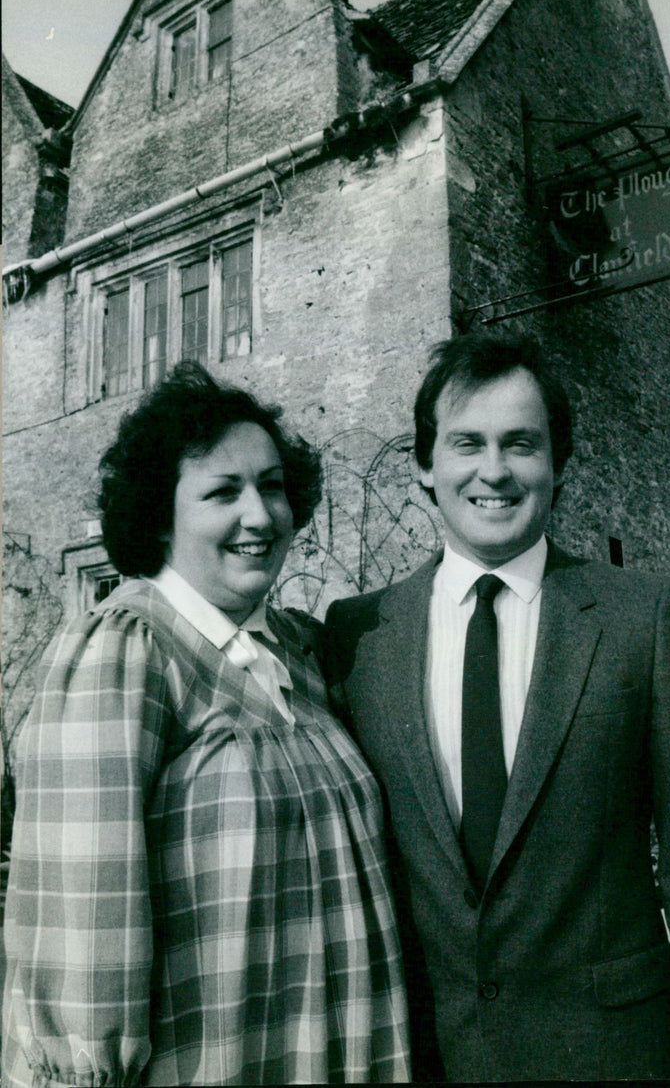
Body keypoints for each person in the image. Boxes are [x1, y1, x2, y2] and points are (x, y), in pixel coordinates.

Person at [323, 332, 670, 1081]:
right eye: (467, 443)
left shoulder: (638, 618)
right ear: (424, 465)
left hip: (613, 1059)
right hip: (425, 1059)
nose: (493, 471)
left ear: (557, 466)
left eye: (521, 444)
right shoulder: (358, 636)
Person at [2, 362, 410, 1086]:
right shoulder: (125, 651)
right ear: (162, 517)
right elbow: (81, 941)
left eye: (272, 485)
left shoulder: (301, 654)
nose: (259, 516)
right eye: (223, 492)